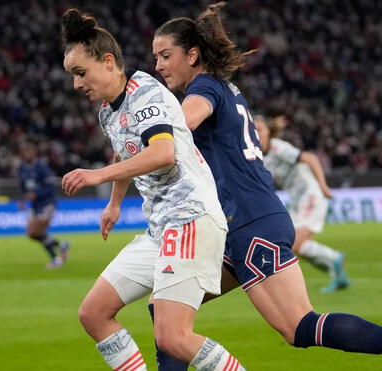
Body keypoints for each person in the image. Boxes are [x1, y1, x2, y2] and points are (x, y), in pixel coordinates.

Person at [150, 2, 382, 370]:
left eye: (165, 56)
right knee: (165, 311)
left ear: (192, 54)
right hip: (240, 224)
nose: (158, 66)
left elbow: (185, 122)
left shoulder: (204, 88)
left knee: (300, 327)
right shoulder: (224, 88)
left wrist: (145, 131)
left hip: (249, 224)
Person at [60, 8, 245, 371]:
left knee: (173, 337)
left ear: (108, 61)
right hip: (160, 228)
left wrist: (99, 176)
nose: (77, 84)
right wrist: (114, 202)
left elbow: (163, 153)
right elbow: (123, 144)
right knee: (94, 314)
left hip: (191, 219)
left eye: (81, 73)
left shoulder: (146, 92)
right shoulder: (107, 110)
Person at [255, 114, 350, 293]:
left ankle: (334, 259)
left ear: (269, 133)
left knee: (294, 243)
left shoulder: (278, 148)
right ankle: (337, 272)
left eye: (260, 129)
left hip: (310, 195)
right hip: (297, 199)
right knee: (291, 243)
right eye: (252, 129)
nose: (256, 133)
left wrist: (322, 185)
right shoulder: (258, 156)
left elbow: (311, 158)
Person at [18, 141, 70, 269]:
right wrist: (21, 199)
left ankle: (55, 259)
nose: (27, 154)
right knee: (32, 234)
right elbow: (22, 186)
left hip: (47, 203)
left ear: (34, 153)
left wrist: (37, 194)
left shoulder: (41, 167)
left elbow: (51, 187)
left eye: (29, 151)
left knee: (38, 230)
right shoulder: (21, 168)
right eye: (25, 152)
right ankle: (61, 244)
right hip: (34, 205)